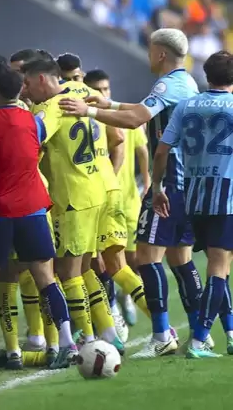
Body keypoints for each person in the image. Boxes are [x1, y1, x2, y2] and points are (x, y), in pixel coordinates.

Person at [59, 28, 204, 358]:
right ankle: (200, 332)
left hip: (168, 184)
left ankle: (161, 335)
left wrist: (90, 112)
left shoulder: (167, 84)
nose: (149, 55)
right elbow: (144, 108)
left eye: (151, 50)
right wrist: (108, 102)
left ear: (161, 54)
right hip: (187, 183)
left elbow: (137, 119)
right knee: (181, 260)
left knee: (147, 259)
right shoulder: (187, 82)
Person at [0, 66, 79, 370]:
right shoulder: (34, 123)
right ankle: (67, 342)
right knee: (45, 278)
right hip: (32, 209)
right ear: (20, 91)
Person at [151, 51, 233, 358]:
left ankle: (230, 332)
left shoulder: (186, 106)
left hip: (194, 196)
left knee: (219, 265)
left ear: (206, 75)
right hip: (226, 198)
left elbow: (161, 152)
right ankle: (199, 341)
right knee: (219, 268)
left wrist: (158, 187)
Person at [23, 57, 107, 352]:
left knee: (68, 272)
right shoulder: (78, 89)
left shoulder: (51, 107)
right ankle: (108, 331)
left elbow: (32, 135)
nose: (26, 90)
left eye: (28, 83)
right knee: (85, 268)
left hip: (71, 197)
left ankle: (88, 337)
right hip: (96, 189)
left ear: (43, 80)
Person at [84, 69, 149, 329]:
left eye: (106, 89)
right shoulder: (88, 118)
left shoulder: (121, 118)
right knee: (104, 263)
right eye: (98, 89)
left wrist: (148, 181)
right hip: (98, 201)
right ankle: (114, 311)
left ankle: (121, 306)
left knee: (127, 262)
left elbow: (140, 149)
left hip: (124, 200)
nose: (103, 94)